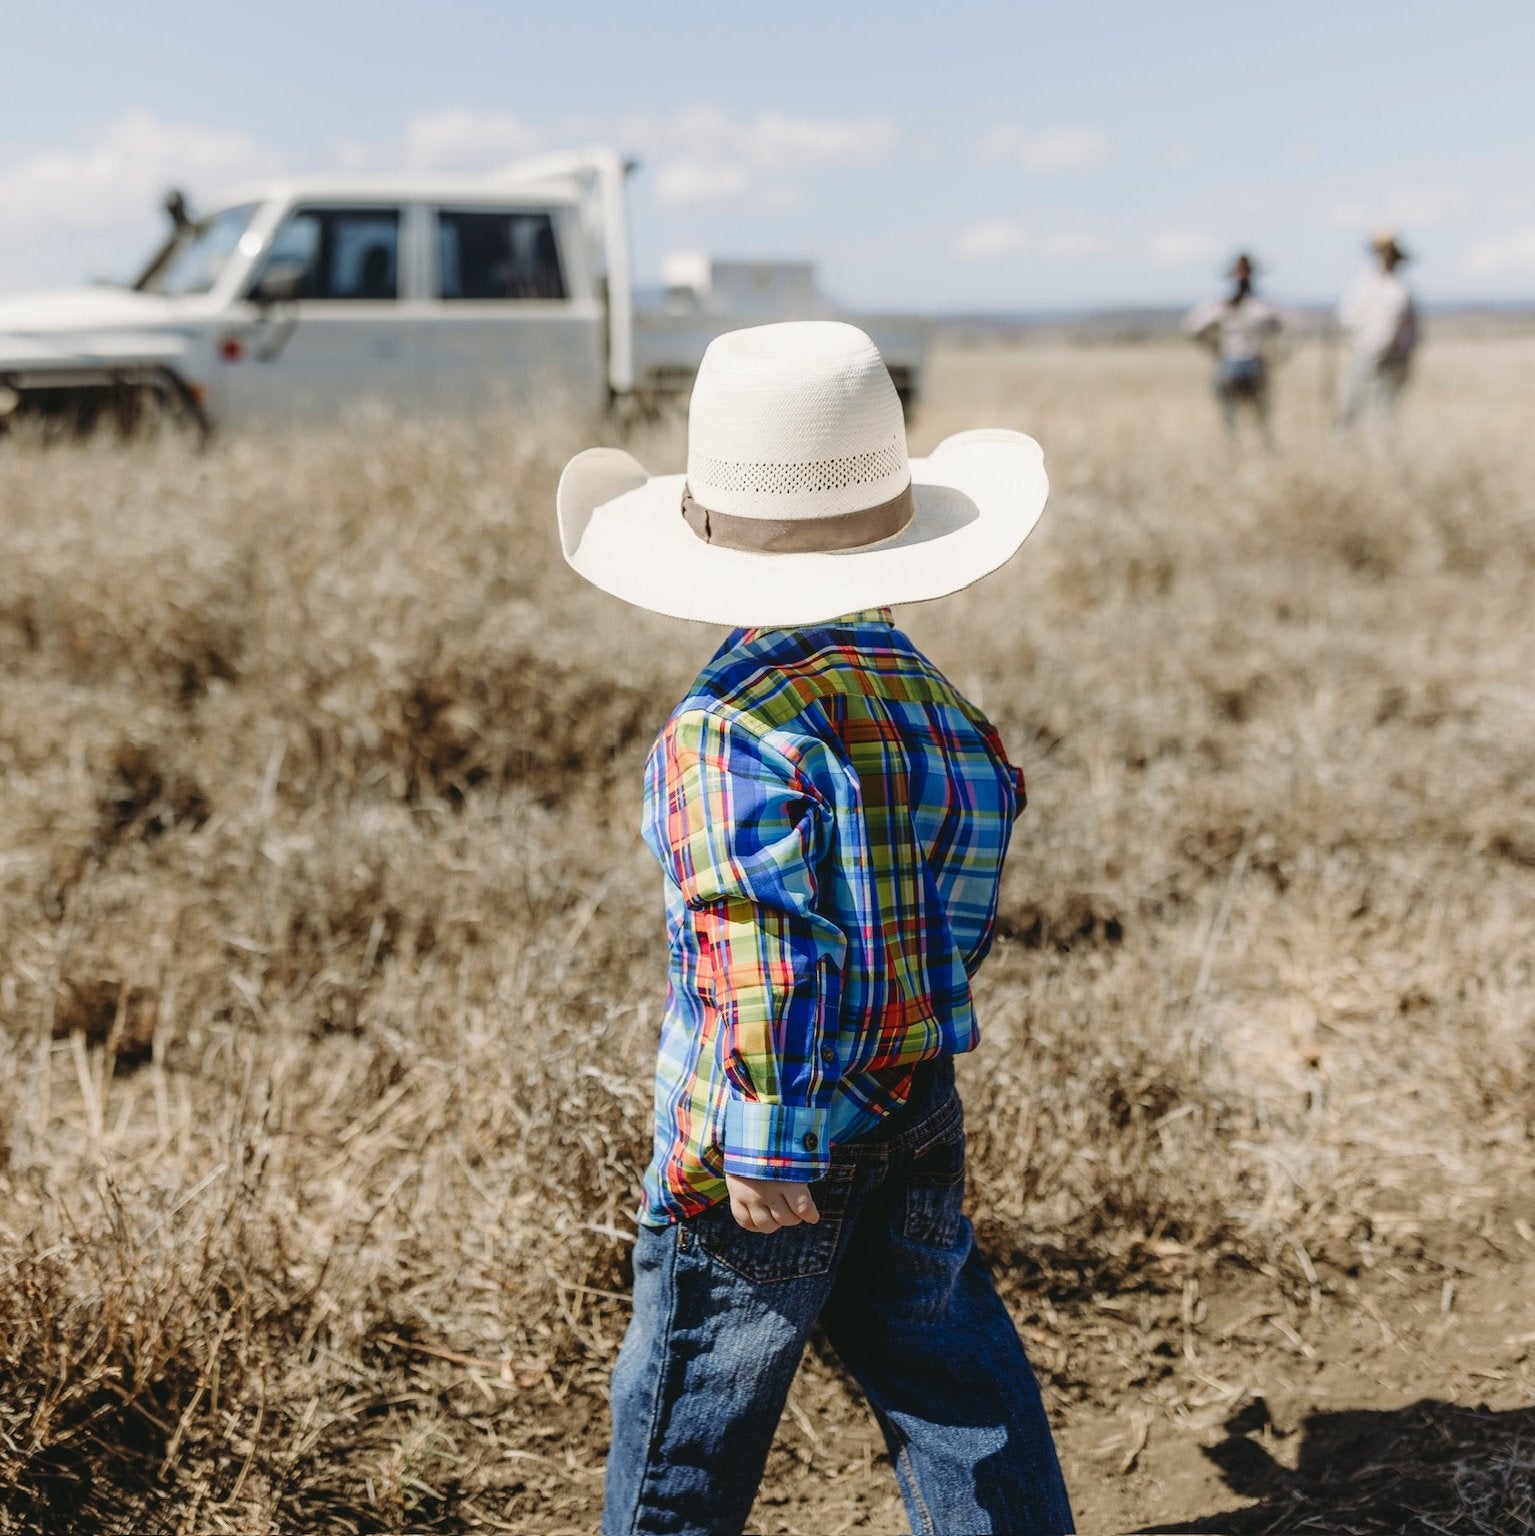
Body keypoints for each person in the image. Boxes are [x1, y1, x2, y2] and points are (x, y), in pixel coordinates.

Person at [555, 321, 1075, 1536]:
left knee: (690, 1411)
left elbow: (757, 938)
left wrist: (769, 1134)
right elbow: (955, 900)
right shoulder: (939, 706)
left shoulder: (721, 730)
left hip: (762, 1131)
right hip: (910, 1096)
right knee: (952, 1385)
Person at [1183, 252, 1284, 438]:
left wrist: (1212, 347)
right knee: (1260, 414)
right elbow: (1281, 325)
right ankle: (1260, 445)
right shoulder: (1262, 305)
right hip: (1253, 362)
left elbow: (1192, 326)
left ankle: (1234, 445)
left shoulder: (1221, 305)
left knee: (1231, 414)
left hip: (1231, 362)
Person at [1336, 231, 1419, 433]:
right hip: (1362, 352)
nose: (1385, 257)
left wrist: (1402, 353)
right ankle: (1342, 448)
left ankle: (1382, 452)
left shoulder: (1401, 289)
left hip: (1392, 358)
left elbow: (1411, 330)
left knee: (1384, 406)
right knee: (1350, 403)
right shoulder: (1362, 284)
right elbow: (1347, 317)